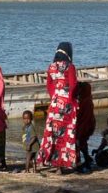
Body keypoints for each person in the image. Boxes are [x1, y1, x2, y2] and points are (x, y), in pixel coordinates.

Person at [37, 42, 80, 171]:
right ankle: (63, 163)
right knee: (66, 135)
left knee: (53, 134)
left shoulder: (51, 67)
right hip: (67, 103)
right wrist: (72, 100)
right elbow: (73, 86)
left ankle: (52, 161)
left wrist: (55, 97)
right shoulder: (70, 67)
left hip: (55, 103)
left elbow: (49, 86)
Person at [74, 82, 96, 173]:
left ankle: (80, 164)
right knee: (83, 144)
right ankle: (87, 159)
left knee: (78, 144)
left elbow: (80, 116)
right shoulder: (88, 100)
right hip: (88, 126)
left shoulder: (85, 102)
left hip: (83, 127)